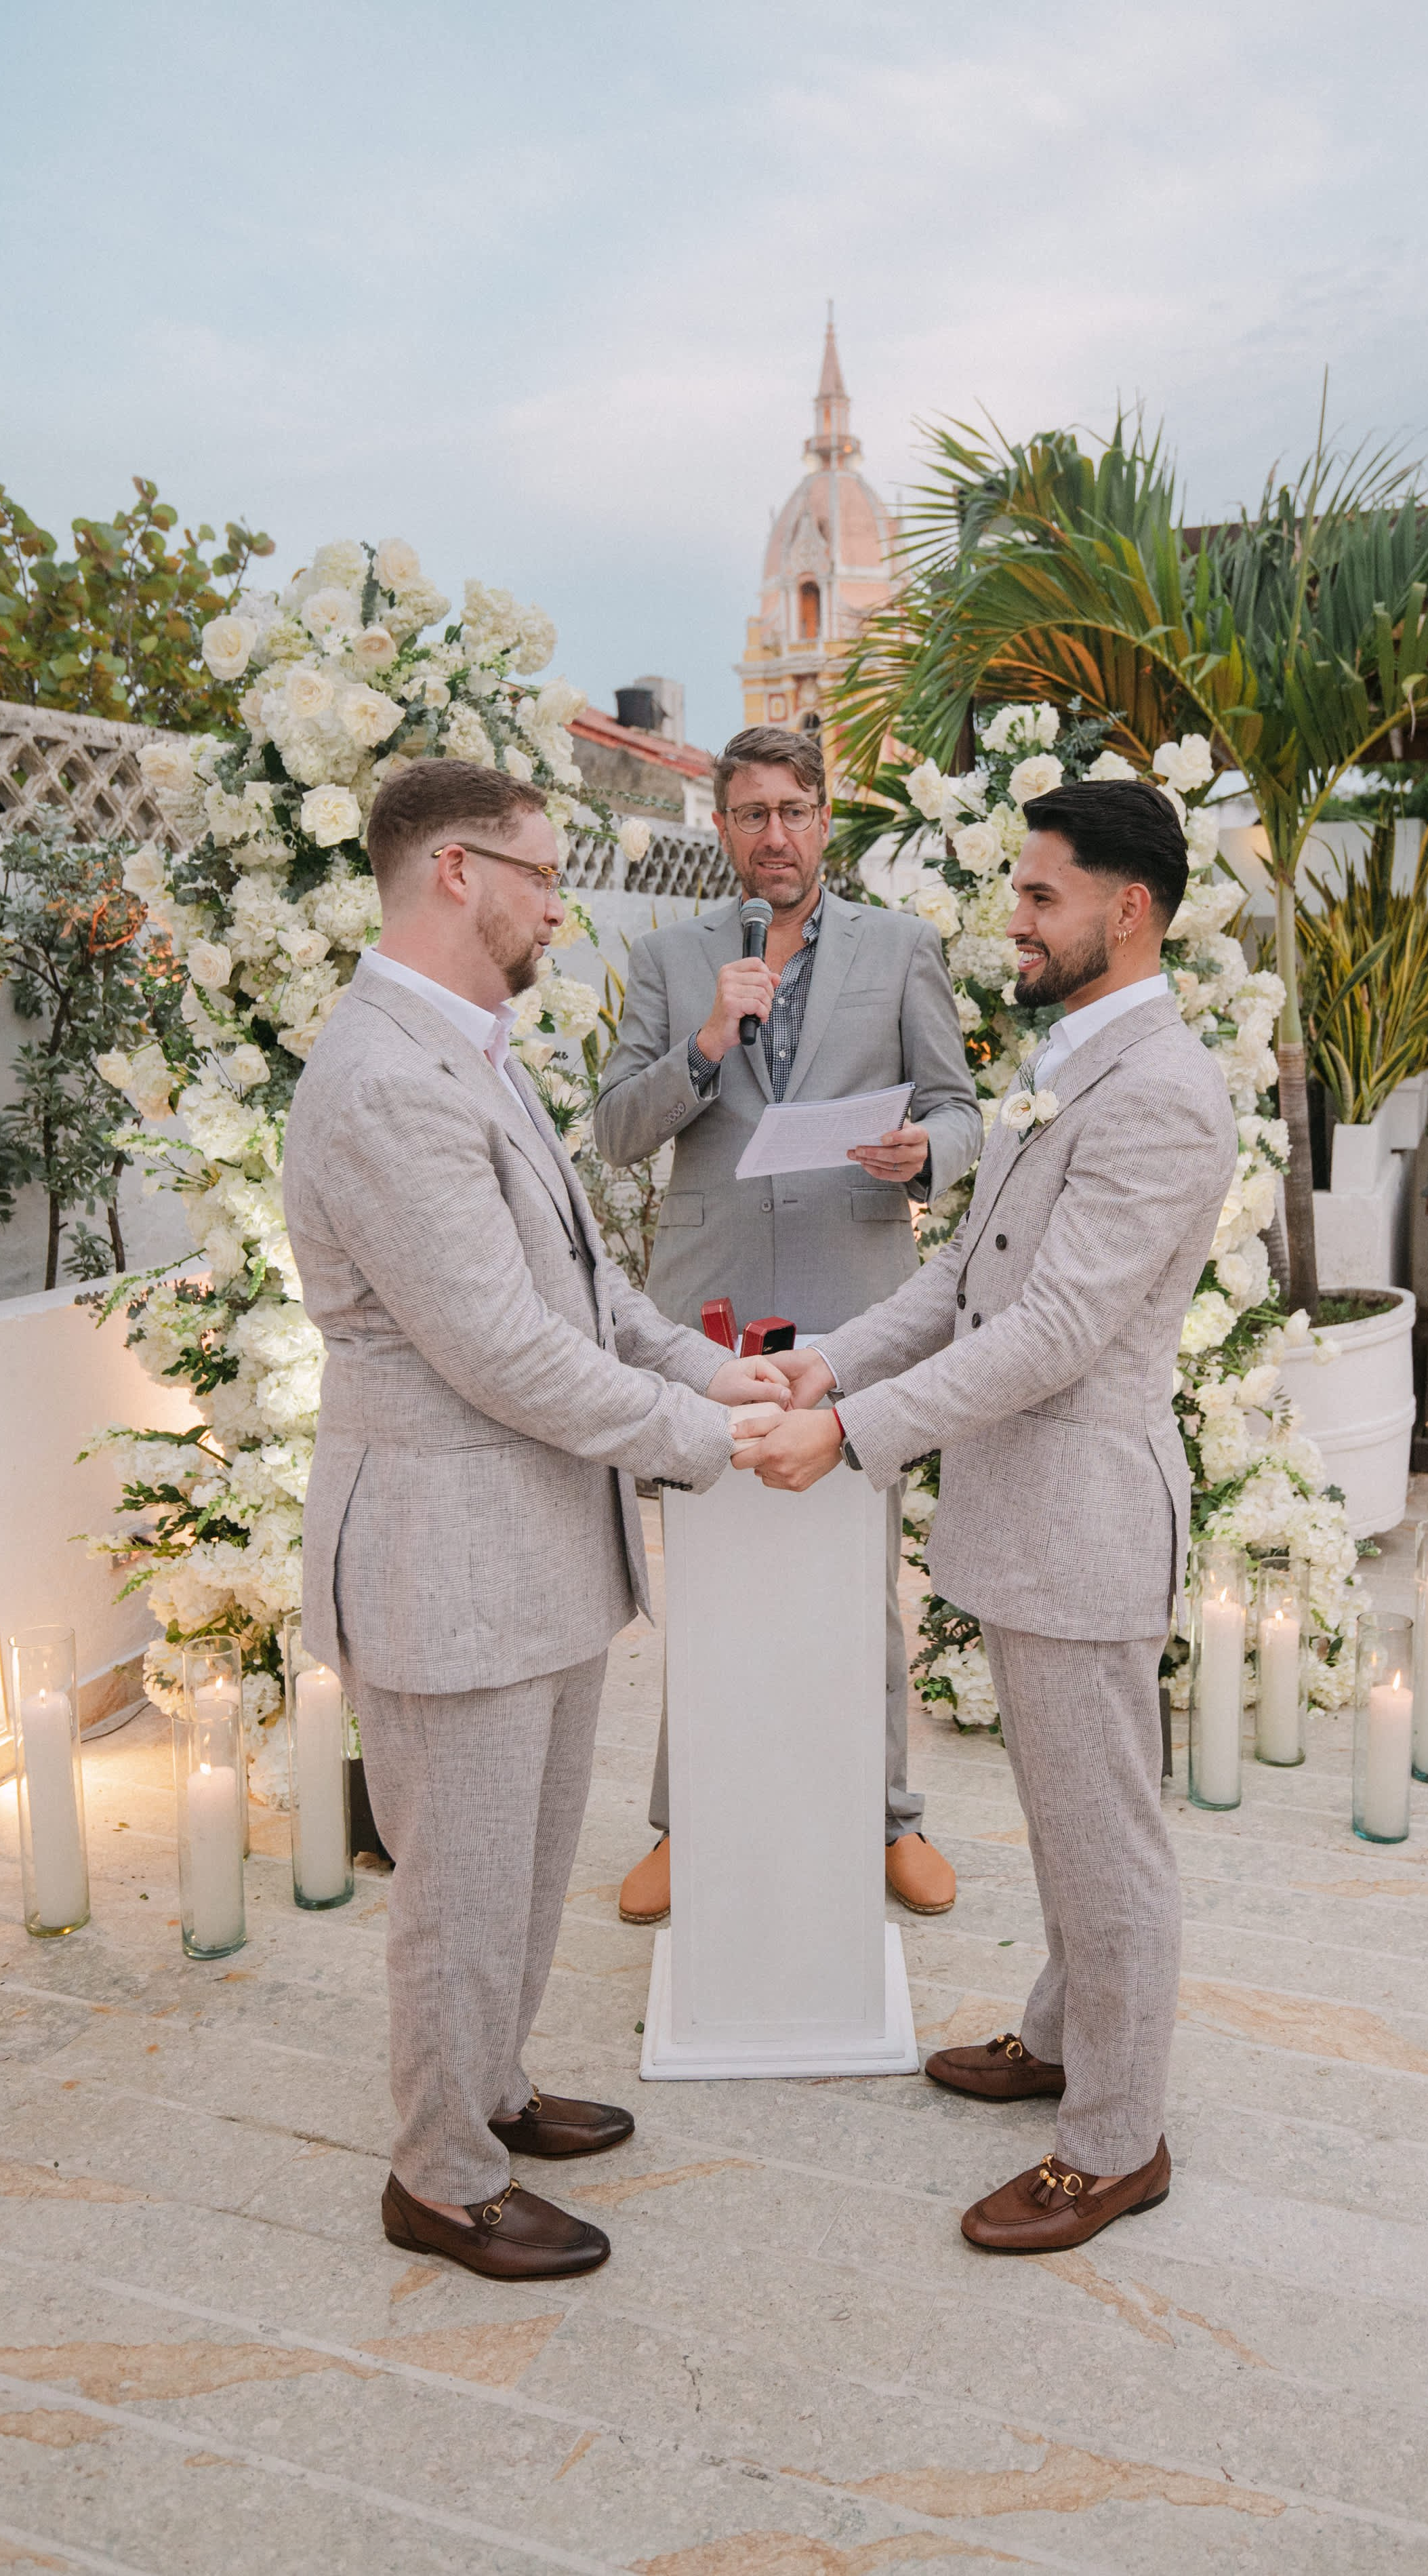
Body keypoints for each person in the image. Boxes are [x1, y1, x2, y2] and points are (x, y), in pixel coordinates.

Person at [283, 762, 788, 2285]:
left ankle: (495, 2085)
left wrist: (723, 1373)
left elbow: (587, 1287)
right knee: (457, 1888)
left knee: (523, 1859)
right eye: (542, 871)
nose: (562, 902)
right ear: (453, 870)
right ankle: (439, 2177)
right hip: (448, 1551)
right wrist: (711, 1440)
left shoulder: (476, 1050)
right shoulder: (380, 1077)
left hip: (539, 1544)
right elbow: (500, 1348)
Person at [737, 778, 1237, 2255]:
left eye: (1038, 896)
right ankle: (1064, 2038)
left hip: (1081, 1515)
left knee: (1107, 1841)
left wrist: (847, 1437)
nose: (1010, 919)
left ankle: (1114, 2137)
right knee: (1068, 1819)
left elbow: (1053, 1334)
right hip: (1031, 1513)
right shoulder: (1071, 1063)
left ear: (1125, 909)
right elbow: (966, 1288)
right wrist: (833, 1356)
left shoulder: (1161, 1090)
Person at [593, 722, 983, 1925]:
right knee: (709, 1570)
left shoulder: (903, 947)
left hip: (855, 1301)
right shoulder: (667, 960)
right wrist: (706, 1044)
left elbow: (961, 1108)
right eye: (752, 813)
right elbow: (615, 1133)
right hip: (708, 1325)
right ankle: (685, 1820)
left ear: (826, 821)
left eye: (796, 812)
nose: (776, 835)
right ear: (721, 827)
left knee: (859, 1579)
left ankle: (884, 1818)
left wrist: (928, 1153)